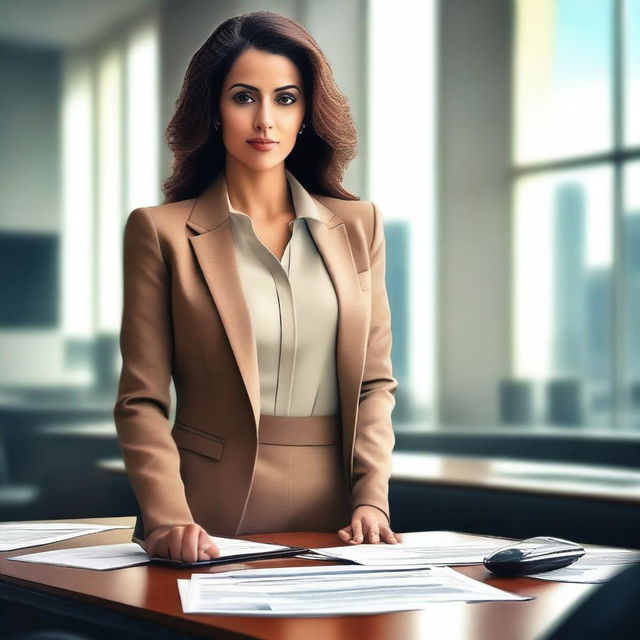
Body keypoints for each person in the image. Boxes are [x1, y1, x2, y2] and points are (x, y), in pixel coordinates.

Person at [114, 10, 401, 563]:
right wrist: (169, 518)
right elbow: (141, 400)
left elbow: (374, 384)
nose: (265, 120)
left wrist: (373, 503)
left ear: (307, 114)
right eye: (244, 97)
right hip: (203, 522)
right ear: (215, 111)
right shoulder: (160, 231)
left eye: (285, 99)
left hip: (343, 526)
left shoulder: (360, 225)